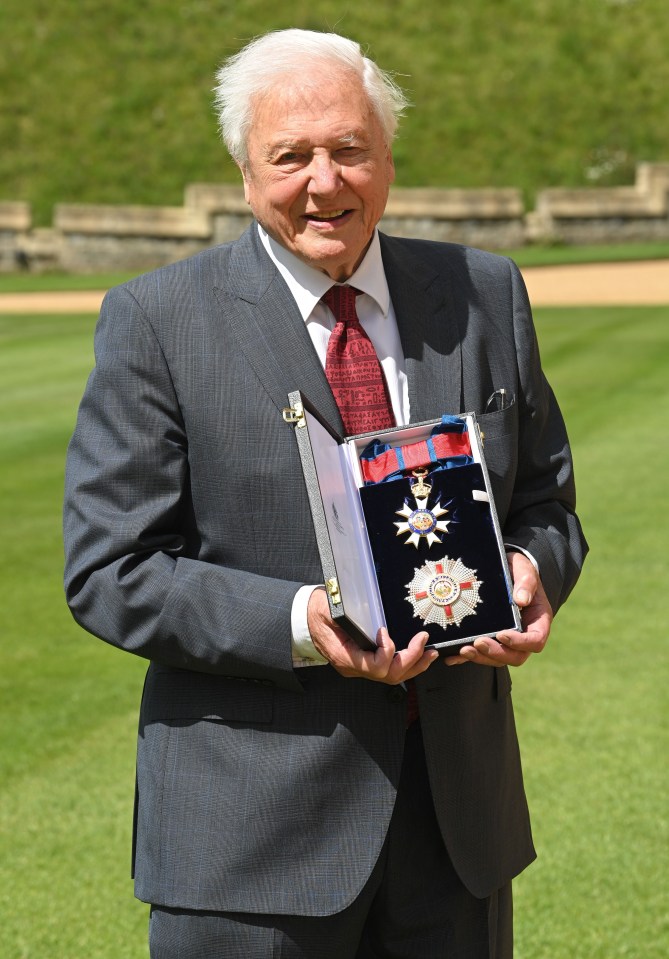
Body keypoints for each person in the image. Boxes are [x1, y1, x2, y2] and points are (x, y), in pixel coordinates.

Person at [63, 28, 587, 959]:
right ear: (241, 167)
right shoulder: (156, 320)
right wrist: (308, 619)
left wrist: (523, 571)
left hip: (455, 827)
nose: (325, 181)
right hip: (248, 842)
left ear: (387, 154)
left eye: (349, 149)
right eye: (290, 156)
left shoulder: (485, 291)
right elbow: (112, 570)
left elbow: (546, 503)